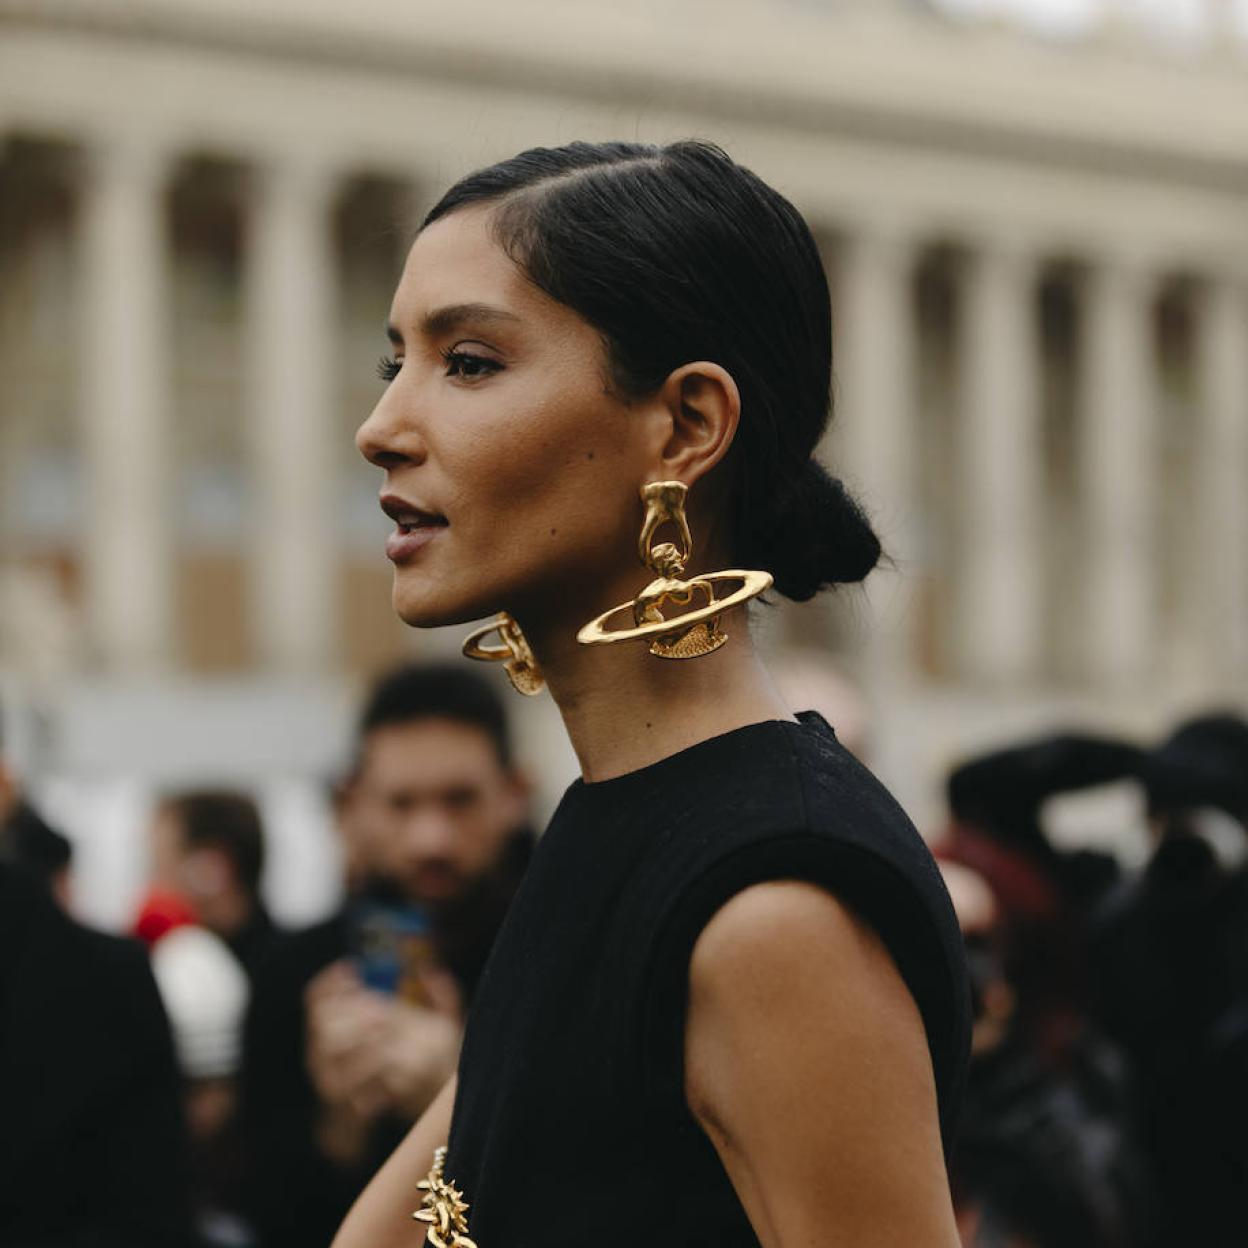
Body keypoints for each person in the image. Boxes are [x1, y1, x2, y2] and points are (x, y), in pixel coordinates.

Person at [336, 140, 972, 1248]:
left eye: (469, 363)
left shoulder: (774, 909)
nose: (382, 426)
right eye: (394, 361)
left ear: (685, 427)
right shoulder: (612, 823)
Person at [239, 663, 533, 1248]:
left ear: (514, 796)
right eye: (402, 804)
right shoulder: (294, 973)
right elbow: (269, 1215)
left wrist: (457, 1101)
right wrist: (338, 1132)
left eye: (459, 801)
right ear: (355, 803)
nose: (431, 839)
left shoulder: (563, 952)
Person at [138, 790, 279, 983]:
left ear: (210, 867)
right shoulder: (166, 957)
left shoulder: (288, 975)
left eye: (162, 865)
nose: (155, 884)